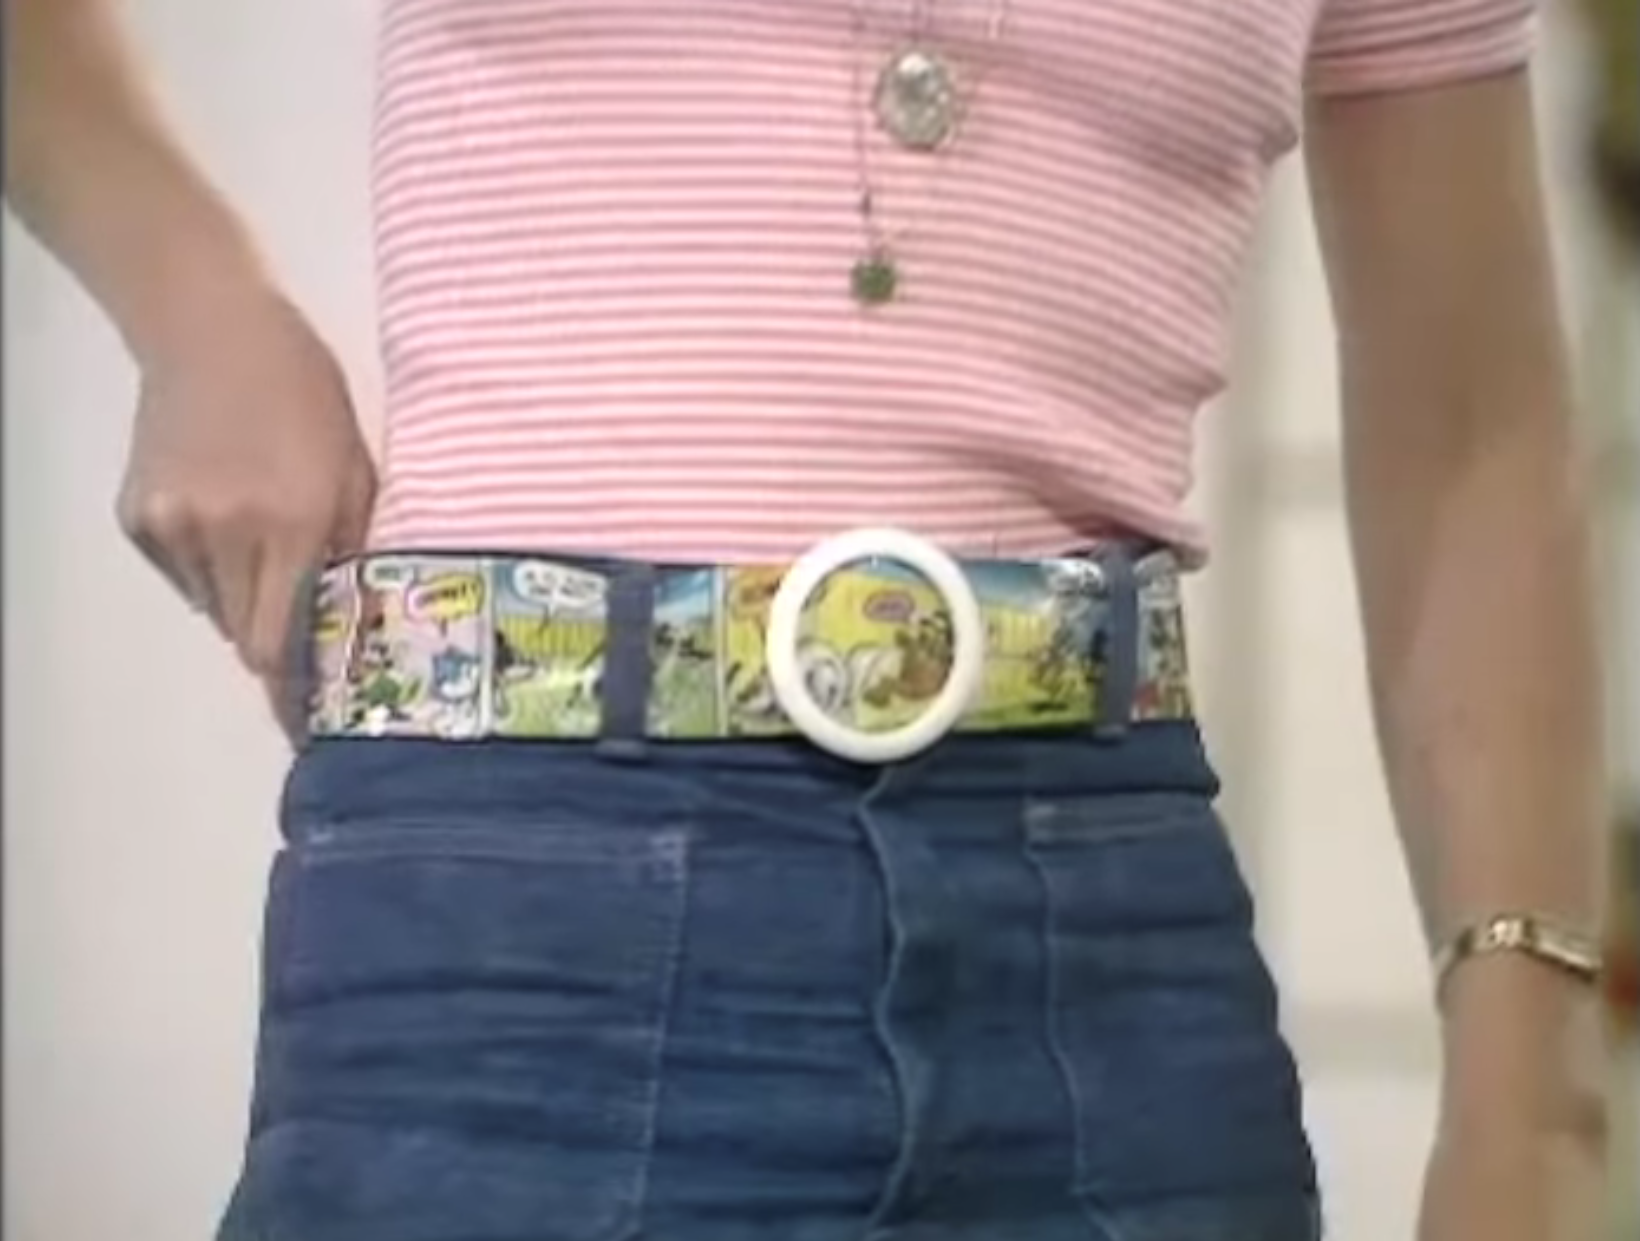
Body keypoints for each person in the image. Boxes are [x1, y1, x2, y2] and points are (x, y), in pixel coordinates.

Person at [4, 1, 1611, 1238]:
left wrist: (1528, 1109)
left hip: (1104, 928)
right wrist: (198, 311)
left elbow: (1470, 422)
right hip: (524, 912)